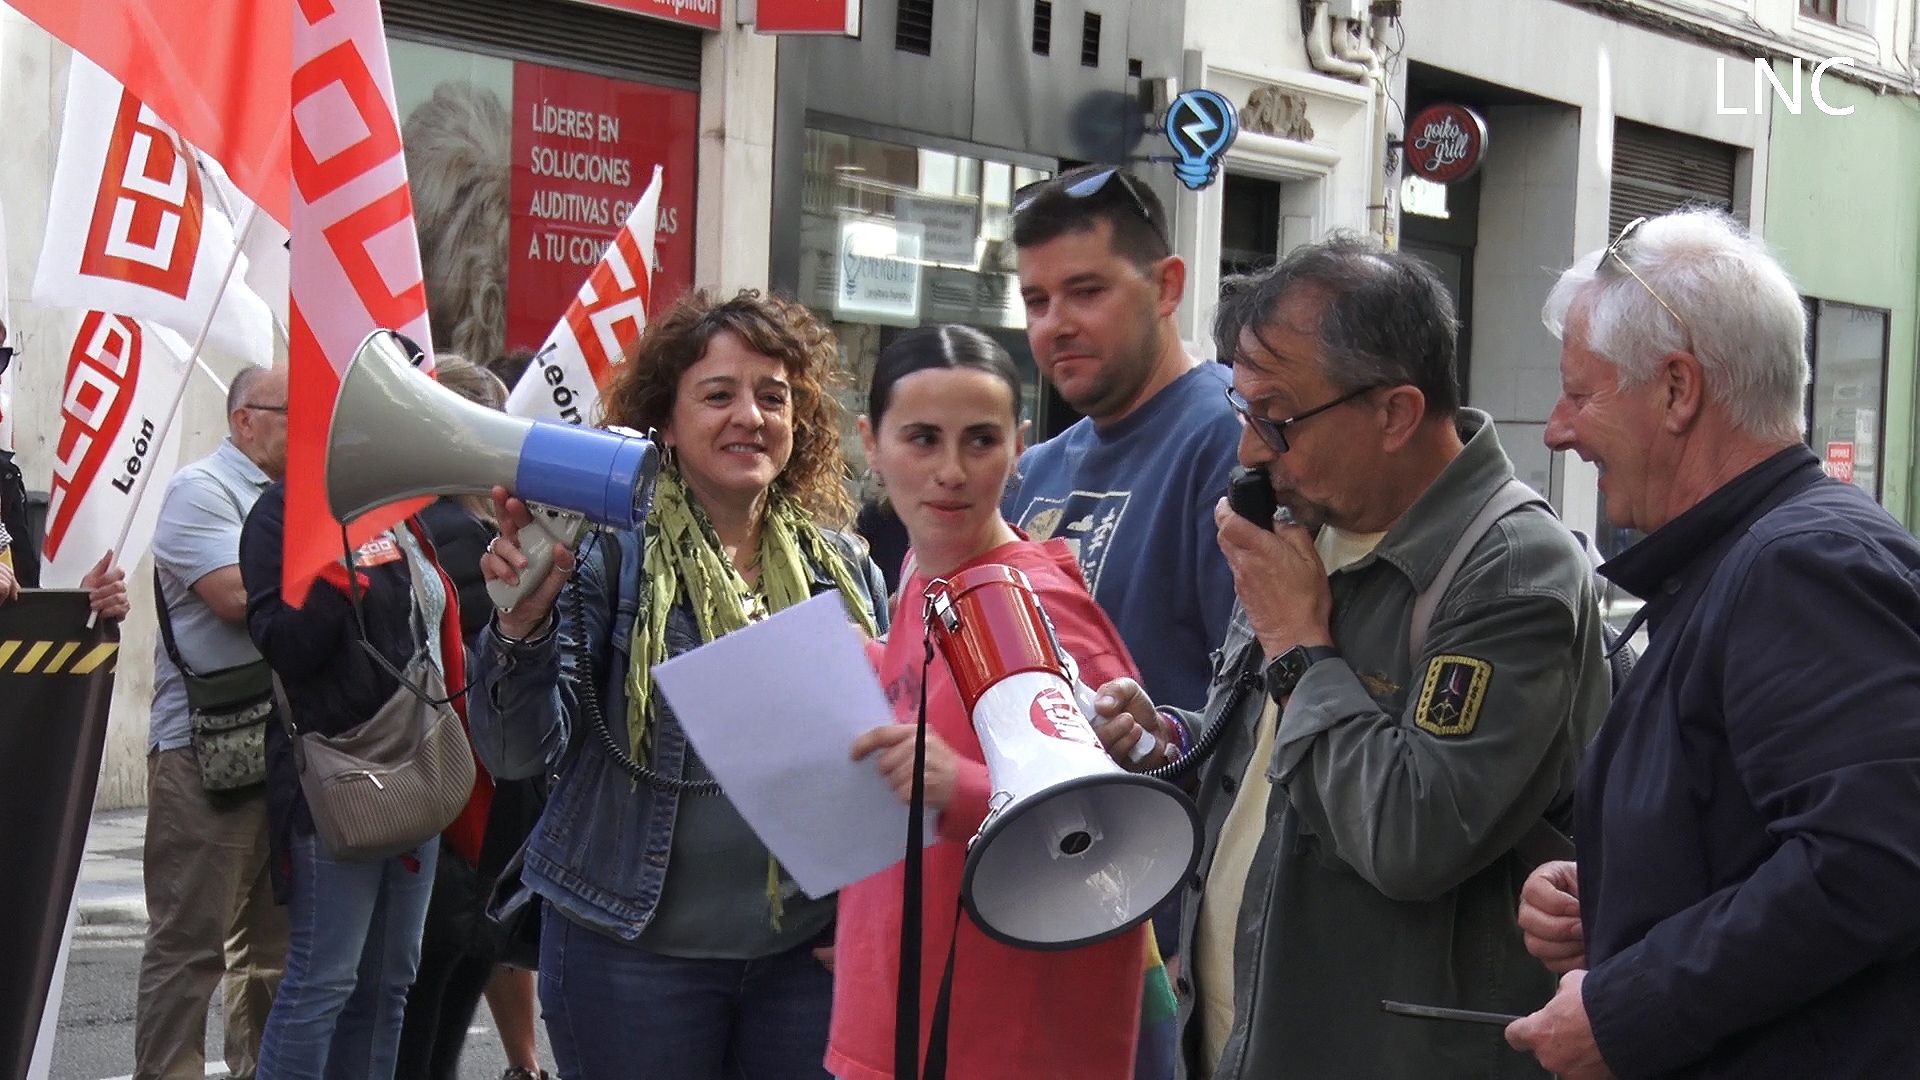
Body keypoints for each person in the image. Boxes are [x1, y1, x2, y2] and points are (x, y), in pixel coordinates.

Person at [1088, 235, 1611, 1079]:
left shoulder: (1510, 570)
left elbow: (1414, 832)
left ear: (1397, 413)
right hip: (1246, 1031)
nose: (1251, 450)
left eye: (1279, 417)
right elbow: (1276, 753)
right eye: (1242, 410)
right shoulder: (1306, 515)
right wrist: (1174, 738)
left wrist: (1298, 637)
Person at [1506, 210, 1920, 1079]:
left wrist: (1626, 1009)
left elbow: (1873, 860)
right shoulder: (1747, 560)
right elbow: (1775, 840)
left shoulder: (1797, 564)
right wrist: (1619, 897)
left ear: (1676, 390)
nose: (1557, 430)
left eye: (1581, 394)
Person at [470, 290, 889, 1079]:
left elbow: (884, 758)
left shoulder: (849, 567)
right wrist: (519, 631)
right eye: (719, 394)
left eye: (774, 396)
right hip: (628, 957)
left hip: (807, 961)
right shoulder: (601, 556)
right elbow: (518, 751)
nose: (751, 416)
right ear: (664, 421)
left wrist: (877, 908)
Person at [829, 324, 1148, 1080]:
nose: (950, 471)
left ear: (1018, 446)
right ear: (871, 443)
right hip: (901, 1008)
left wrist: (962, 790)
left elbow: (1124, 832)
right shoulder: (920, 573)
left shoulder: (1034, 598)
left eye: (979, 441)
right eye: (922, 439)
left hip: (1001, 1037)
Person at [241, 420, 487, 1079]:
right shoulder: (281, 513)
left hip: (418, 762)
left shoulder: (400, 515)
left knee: (390, 981)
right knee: (324, 982)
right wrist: (328, 585)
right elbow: (279, 643)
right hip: (341, 773)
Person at [1003, 165, 1239, 716]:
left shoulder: (1231, 439)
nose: (1054, 325)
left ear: (1166, 287)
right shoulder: (1032, 472)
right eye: (1036, 302)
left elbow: (1258, 707)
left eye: (1085, 292)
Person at [134, 365, 290, 1080]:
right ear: (244, 420)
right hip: (203, 752)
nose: (307, 426)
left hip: (281, 748)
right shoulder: (202, 491)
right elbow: (235, 598)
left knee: (271, 951)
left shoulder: (289, 500)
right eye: (292, 412)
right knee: (189, 945)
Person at [399, 355, 548, 1080]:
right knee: (429, 1018)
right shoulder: (461, 540)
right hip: (467, 812)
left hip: (443, 807)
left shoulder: (430, 531)